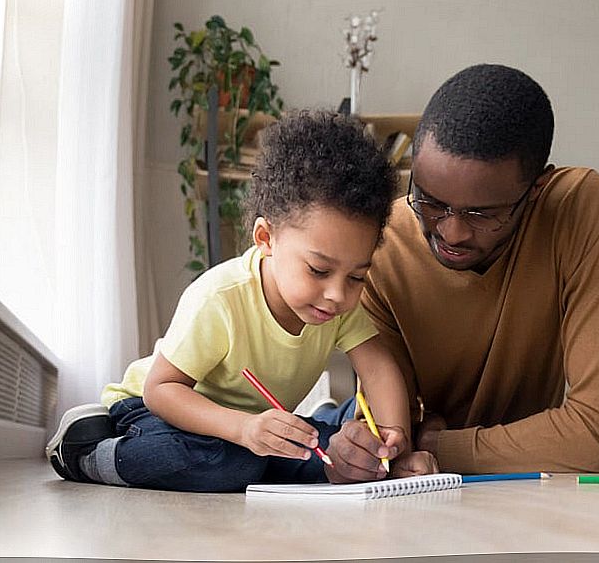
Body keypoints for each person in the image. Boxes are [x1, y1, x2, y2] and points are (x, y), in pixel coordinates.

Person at [45, 110, 434, 491]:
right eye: (318, 270)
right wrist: (243, 429)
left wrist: (394, 447)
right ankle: (88, 451)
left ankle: (312, 430)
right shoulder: (221, 297)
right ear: (266, 239)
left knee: (346, 451)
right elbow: (161, 390)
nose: (337, 294)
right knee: (226, 465)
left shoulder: (338, 306)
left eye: (356, 276)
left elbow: (380, 370)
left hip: (255, 426)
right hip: (158, 413)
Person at [321, 64, 599, 477]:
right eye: (430, 201)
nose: (451, 232)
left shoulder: (579, 208)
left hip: (460, 460)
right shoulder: (383, 240)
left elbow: (594, 436)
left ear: (535, 191)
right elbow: (394, 437)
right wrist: (373, 448)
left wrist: (437, 446)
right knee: (333, 429)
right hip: (456, 459)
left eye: (481, 214)